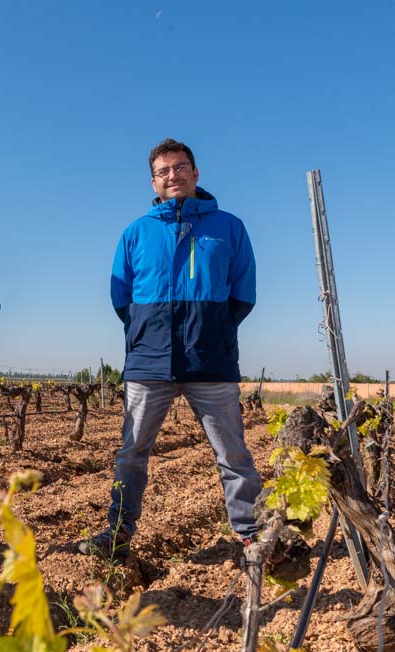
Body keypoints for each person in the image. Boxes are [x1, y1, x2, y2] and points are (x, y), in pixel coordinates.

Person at [79, 138, 262, 563]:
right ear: (153, 181)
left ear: (196, 174)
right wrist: (147, 334)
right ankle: (119, 532)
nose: (172, 176)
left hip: (210, 361)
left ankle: (251, 535)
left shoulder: (229, 227)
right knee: (131, 453)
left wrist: (212, 332)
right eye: (164, 171)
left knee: (232, 453)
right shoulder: (136, 232)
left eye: (180, 168)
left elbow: (244, 293)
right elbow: (121, 297)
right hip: (149, 362)